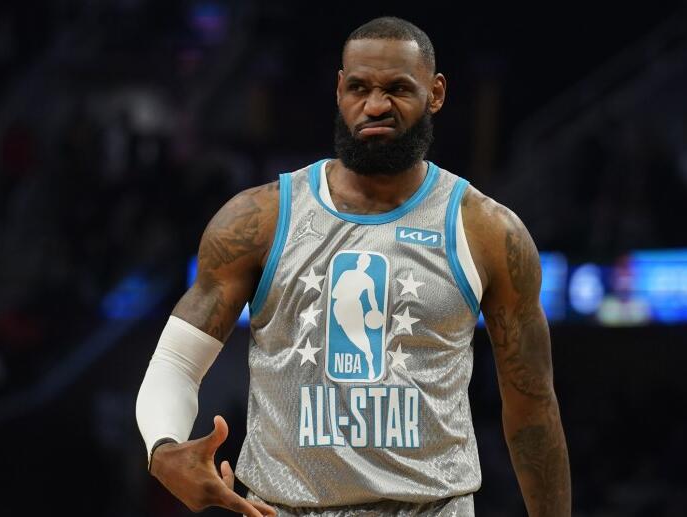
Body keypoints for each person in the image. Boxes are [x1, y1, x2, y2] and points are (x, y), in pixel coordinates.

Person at [136, 16, 571, 517]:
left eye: (397, 89)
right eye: (360, 88)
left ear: (435, 93)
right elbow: (177, 362)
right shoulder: (259, 219)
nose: (376, 105)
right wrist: (163, 447)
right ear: (339, 90)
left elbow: (532, 407)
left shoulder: (488, 231)